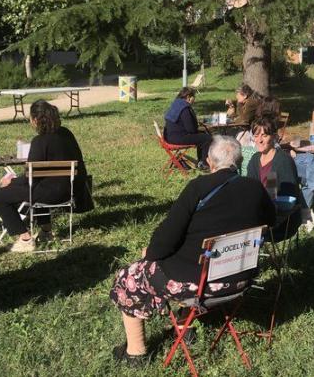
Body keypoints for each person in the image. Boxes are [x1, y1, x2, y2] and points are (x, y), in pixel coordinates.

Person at [109, 136, 275, 366]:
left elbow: (164, 242)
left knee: (129, 276)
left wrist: (150, 254)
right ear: (239, 160)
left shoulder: (198, 187)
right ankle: (182, 326)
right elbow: (271, 220)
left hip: (200, 285)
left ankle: (136, 353)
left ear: (209, 161)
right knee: (178, 261)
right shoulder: (255, 188)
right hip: (241, 278)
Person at [0, 100, 93, 252]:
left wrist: (11, 181)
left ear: (36, 120)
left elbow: (30, 178)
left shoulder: (39, 141)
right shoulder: (66, 133)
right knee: (38, 187)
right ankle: (46, 232)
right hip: (71, 191)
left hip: (50, 193)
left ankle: (25, 239)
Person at [255, 97, 314, 228]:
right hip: (275, 165)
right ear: (274, 110)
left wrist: (286, 147)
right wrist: (285, 152)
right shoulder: (265, 126)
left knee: (310, 176)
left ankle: (306, 213)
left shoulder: (264, 124)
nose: (281, 113)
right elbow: (264, 149)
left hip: (279, 158)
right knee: (310, 160)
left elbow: (270, 146)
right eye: (279, 109)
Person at [246, 117, 303, 239]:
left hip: (282, 221)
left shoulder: (283, 161)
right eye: (256, 136)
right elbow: (250, 191)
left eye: (264, 135)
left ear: (273, 137)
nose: (259, 140)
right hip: (259, 215)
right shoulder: (254, 160)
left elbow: (287, 199)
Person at [164, 87, 212, 171]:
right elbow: (191, 130)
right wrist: (197, 126)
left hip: (169, 136)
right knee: (207, 138)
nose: (194, 100)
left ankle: (201, 161)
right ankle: (204, 164)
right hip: (177, 138)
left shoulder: (176, 104)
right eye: (194, 97)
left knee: (203, 135)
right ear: (189, 97)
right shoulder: (184, 108)